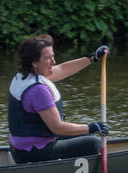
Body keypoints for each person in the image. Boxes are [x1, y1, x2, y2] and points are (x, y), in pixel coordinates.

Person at [8, 34, 111, 165]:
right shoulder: (37, 90)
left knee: (86, 136)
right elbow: (58, 128)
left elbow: (62, 69)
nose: (53, 62)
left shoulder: (25, 75)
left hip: (24, 146)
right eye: (48, 58)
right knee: (94, 143)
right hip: (32, 153)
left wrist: (92, 57)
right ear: (34, 62)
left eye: (53, 56)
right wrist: (92, 127)